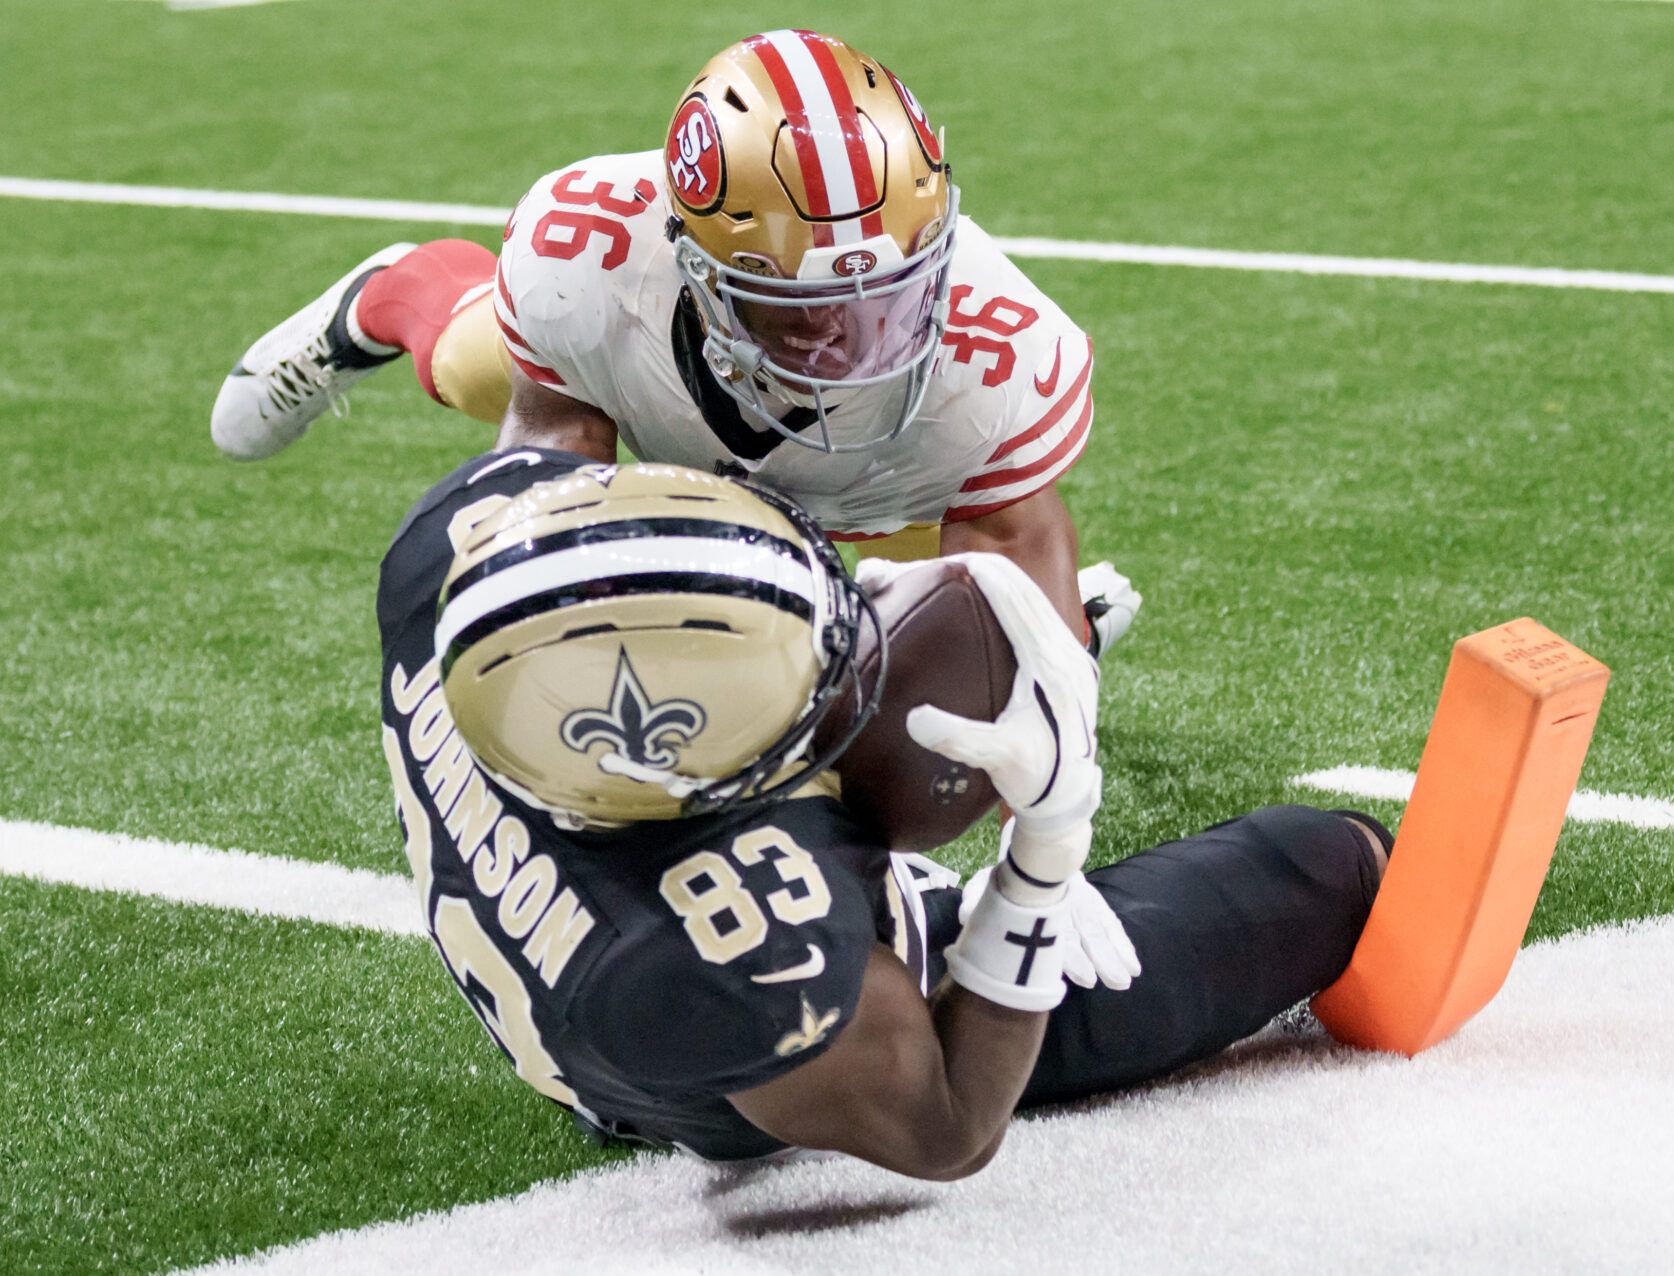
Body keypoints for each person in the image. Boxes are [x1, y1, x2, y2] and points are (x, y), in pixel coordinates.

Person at [375, 436, 1390, 1179]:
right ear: (695, 774)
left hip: (620, 938)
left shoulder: (466, 560)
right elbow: (948, 1126)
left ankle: (1013, 670)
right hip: (745, 1072)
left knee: (922, 670)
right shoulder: (739, 951)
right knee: (1333, 862)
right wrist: (1040, 862)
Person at [215, 30, 1140, 656]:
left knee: (937, 653)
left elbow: (1038, 711)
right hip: (651, 398)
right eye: (801, 304)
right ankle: (389, 293)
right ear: (694, 262)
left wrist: (1036, 646)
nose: (850, 340)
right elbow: (549, 517)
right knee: (465, 364)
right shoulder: (594, 265)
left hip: (898, 476)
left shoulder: (995, 361)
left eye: (883, 294)